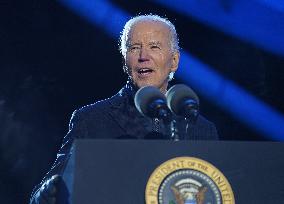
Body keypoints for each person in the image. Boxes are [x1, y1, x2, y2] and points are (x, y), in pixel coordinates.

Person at [30, 14, 218, 204]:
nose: (143, 56)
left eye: (154, 47)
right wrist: (48, 194)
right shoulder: (92, 120)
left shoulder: (200, 129)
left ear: (174, 61)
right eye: (134, 48)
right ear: (124, 61)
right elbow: (46, 193)